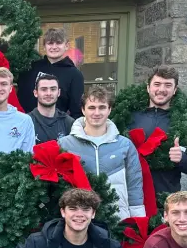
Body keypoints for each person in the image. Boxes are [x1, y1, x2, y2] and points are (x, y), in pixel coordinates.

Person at [58, 87, 145, 221]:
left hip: (117, 217)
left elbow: (134, 184)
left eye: (102, 107)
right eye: (91, 107)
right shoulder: (65, 144)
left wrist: (138, 218)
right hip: (79, 219)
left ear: (109, 110)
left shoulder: (125, 145)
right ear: (83, 110)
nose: (97, 112)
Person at [130, 66, 187, 194]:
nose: (161, 89)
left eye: (168, 85)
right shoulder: (130, 117)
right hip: (133, 194)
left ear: (175, 90)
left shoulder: (185, 122)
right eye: (157, 84)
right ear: (148, 87)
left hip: (166, 196)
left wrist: (182, 158)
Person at [17, 28, 85, 118]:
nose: (54, 47)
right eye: (50, 43)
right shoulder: (32, 68)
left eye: (58, 43)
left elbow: (76, 110)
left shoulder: (75, 74)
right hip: (28, 122)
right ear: (44, 46)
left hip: (58, 126)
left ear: (66, 46)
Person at [29, 73, 74, 144]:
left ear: (58, 92)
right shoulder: (27, 121)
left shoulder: (68, 122)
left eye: (53, 89)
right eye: (44, 89)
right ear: (35, 93)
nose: (49, 93)